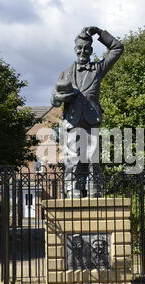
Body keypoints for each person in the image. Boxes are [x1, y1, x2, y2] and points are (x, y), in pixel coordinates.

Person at [51, 26, 124, 198]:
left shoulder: (98, 69)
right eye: (79, 48)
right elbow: (54, 98)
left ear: (91, 50)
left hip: (92, 118)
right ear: (75, 49)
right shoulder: (66, 73)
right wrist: (59, 98)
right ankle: (71, 189)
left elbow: (118, 48)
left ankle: (94, 188)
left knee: (93, 156)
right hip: (72, 118)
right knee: (72, 157)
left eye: (87, 48)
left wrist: (100, 33)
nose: (83, 51)